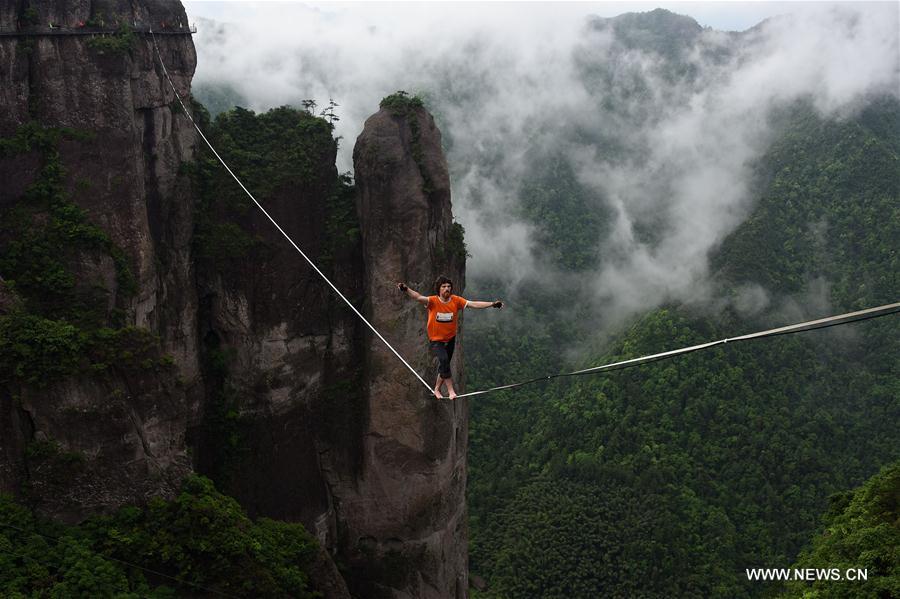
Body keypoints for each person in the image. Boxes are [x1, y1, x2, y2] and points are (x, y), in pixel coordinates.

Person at [397, 275, 503, 400]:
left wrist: (492, 304)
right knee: (444, 360)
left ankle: (436, 389)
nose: (447, 288)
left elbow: (473, 304)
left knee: (444, 366)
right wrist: (406, 289)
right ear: (439, 289)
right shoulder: (433, 301)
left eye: (448, 286)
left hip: (450, 338)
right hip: (436, 340)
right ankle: (450, 390)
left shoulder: (456, 301)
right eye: (444, 286)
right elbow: (418, 297)